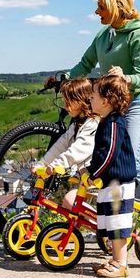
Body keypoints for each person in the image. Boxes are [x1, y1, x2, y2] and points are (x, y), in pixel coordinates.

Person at [50, 0, 140, 218]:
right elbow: (85, 64)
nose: (96, 12)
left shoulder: (137, 34)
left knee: (131, 160)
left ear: (116, 7)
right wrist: (64, 79)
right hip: (110, 106)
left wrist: (123, 78)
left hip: (136, 103)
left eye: (100, 7)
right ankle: (103, 219)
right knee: (100, 158)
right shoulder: (103, 34)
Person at [88, 68, 138, 278]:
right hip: (111, 182)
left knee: (117, 226)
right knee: (111, 223)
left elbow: (108, 153)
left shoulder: (114, 123)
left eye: (94, 95)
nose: (90, 98)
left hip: (119, 182)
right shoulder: (106, 121)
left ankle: (121, 264)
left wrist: (93, 173)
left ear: (106, 101)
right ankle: (115, 260)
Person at [32, 77, 98, 212]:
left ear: (82, 101)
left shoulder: (93, 124)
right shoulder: (76, 124)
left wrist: (57, 165)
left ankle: (109, 228)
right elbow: (60, 145)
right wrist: (43, 163)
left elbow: (78, 150)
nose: (65, 106)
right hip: (87, 179)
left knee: (71, 202)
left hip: (100, 179)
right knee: (70, 203)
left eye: (68, 102)